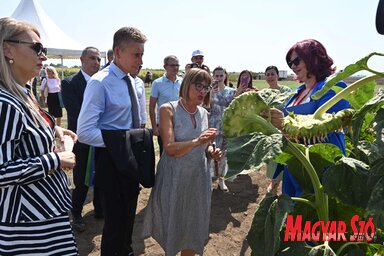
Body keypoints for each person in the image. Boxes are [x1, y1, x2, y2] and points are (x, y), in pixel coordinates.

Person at [0, 17, 78, 255]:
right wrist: (55, 160)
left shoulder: (22, 93)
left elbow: (21, 131)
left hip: (43, 214)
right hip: (28, 227)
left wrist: (54, 130)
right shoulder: (5, 103)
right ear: (7, 49)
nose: (44, 56)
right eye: (37, 48)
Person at [77, 26, 147, 256]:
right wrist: (121, 142)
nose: (141, 60)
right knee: (115, 222)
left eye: (142, 54)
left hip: (133, 156)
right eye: (136, 54)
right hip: (111, 159)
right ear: (118, 52)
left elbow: (140, 121)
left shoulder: (136, 82)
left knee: (128, 217)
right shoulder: (100, 82)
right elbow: (85, 131)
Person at [143, 68, 222, 256]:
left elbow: (206, 146)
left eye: (207, 87)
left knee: (193, 224)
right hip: (175, 178)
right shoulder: (168, 109)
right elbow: (169, 148)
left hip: (198, 178)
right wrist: (198, 141)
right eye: (199, 86)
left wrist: (212, 152)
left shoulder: (204, 113)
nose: (203, 91)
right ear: (187, 85)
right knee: (175, 222)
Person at [266, 39, 350, 197]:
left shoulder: (333, 87)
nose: (293, 66)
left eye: (297, 60)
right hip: (295, 165)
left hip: (321, 165)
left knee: (316, 213)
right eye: (290, 63)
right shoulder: (297, 92)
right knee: (294, 212)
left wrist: (284, 123)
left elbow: (329, 124)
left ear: (314, 58)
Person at [61, 46, 103, 232]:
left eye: (99, 59)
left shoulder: (103, 82)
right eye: (92, 58)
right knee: (82, 180)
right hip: (82, 139)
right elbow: (75, 112)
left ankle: (100, 210)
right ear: (82, 60)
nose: (96, 62)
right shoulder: (70, 83)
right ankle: (76, 213)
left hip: (101, 139)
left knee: (102, 175)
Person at [209, 66, 242, 191]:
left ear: (225, 76)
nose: (218, 78)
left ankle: (221, 180)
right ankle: (210, 179)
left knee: (224, 156)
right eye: (216, 76)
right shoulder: (209, 91)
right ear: (213, 76)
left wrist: (238, 92)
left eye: (221, 76)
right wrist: (211, 93)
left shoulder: (231, 91)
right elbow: (206, 106)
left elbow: (234, 108)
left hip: (227, 129)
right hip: (213, 127)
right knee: (212, 155)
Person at [264, 65, 292, 195]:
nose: (270, 76)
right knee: (273, 160)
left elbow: (291, 108)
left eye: (272, 74)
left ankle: (276, 186)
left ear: (277, 75)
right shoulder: (264, 94)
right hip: (271, 133)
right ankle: (274, 187)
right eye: (268, 74)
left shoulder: (286, 91)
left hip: (286, 132)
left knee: (286, 160)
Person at [149, 55, 182, 156]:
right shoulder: (157, 83)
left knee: (180, 152)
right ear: (165, 67)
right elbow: (151, 106)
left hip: (180, 124)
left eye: (177, 65)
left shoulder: (183, 82)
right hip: (164, 125)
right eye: (172, 65)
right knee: (165, 153)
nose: (175, 68)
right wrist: (154, 127)